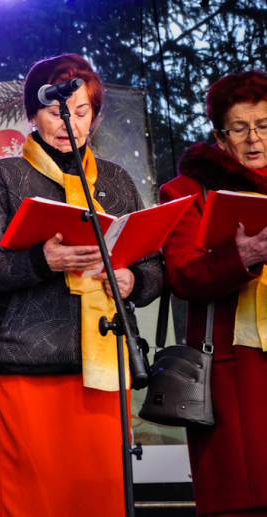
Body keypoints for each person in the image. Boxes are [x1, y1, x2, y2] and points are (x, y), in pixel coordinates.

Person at [0, 54, 164, 516]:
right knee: (28, 501)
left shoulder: (113, 179)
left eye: (81, 111)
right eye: (55, 110)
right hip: (26, 368)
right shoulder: (4, 177)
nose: (67, 122)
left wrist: (133, 280)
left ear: (95, 116)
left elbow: (153, 265)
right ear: (32, 112)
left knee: (98, 500)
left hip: (104, 370)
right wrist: (39, 260)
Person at [161, 70, 267, 517]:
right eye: (239, 127)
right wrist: (239, 256)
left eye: (263, 124)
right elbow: (183, 274)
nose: (254, 138)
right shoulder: (189, 191)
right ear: (220, 136)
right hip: (236, 372)